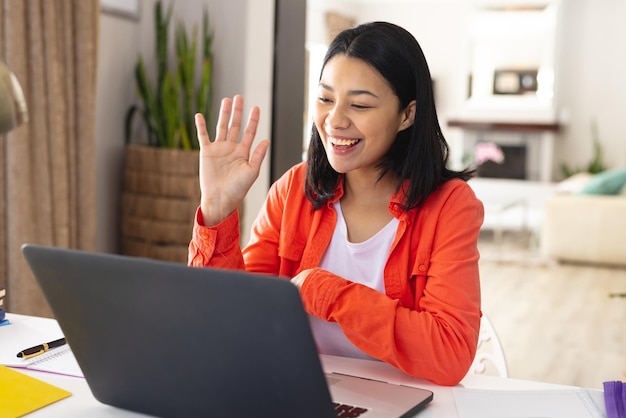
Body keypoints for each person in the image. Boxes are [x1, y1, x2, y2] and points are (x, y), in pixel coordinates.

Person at [188, 21, 483, 386]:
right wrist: (216, 209)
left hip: (401, 400)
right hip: (297, 392)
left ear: (407, 114)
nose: (335, 120)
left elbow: (450, 352)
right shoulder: (294, 189)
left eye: (359, 104)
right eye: (326, 99)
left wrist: (323, 291)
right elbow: (234, 323)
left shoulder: (450, 206)